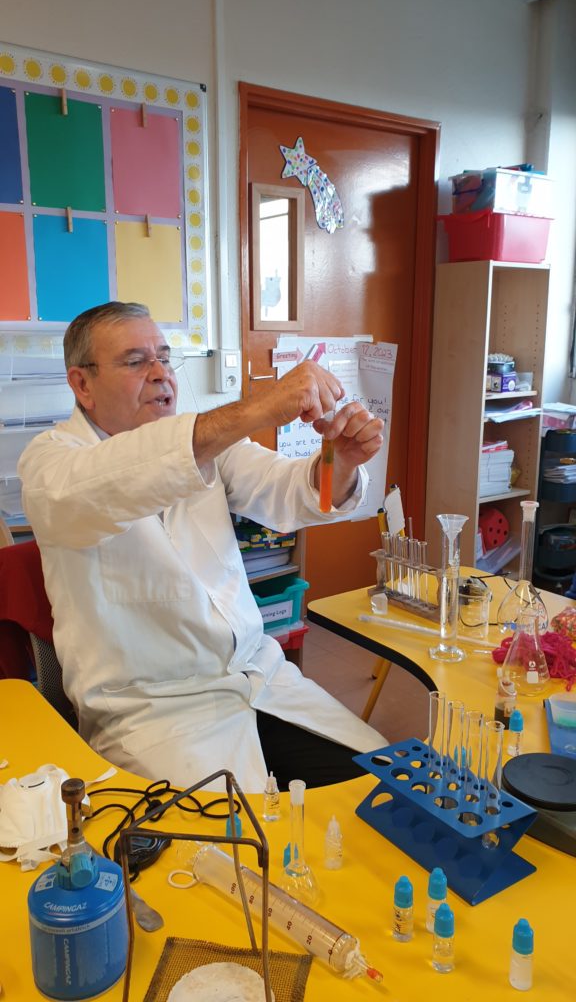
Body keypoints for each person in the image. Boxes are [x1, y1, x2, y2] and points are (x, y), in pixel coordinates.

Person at [19, 302, 388, 792]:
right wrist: (262, 405)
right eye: (135, 362)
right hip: (156, 714)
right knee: (242, 855)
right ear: (82, 384)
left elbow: (292, 493)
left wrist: (338, 465)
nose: (159, 375)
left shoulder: (208, 445)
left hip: (261, 679)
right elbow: (118, 477)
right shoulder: (50, 464)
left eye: (165, 358)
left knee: (387, 787)